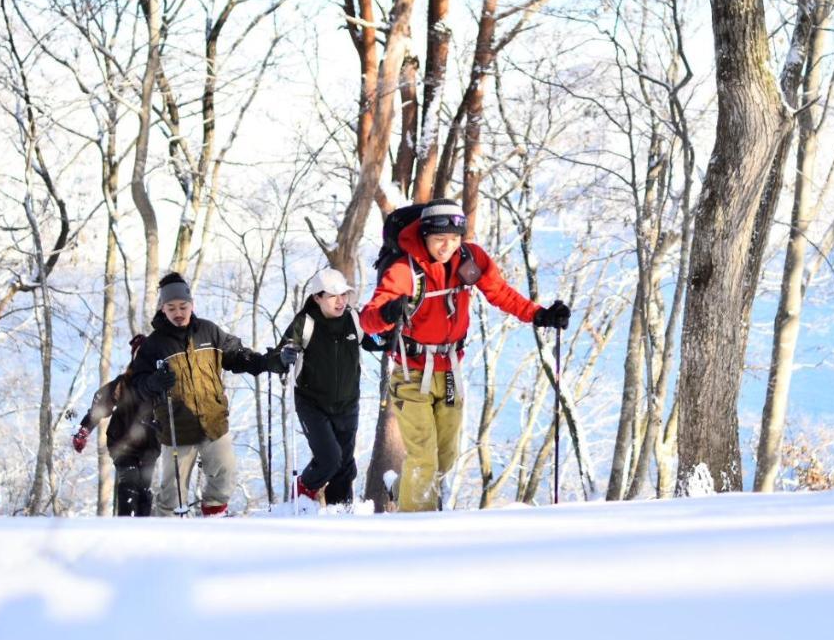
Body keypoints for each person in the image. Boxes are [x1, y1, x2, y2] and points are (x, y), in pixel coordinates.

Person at [359, 200, 570, 512]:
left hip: (450, 374)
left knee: (445, 457)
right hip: (411, 373)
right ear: (425, 235)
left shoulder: (469, 259)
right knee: (423, 458)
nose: (447, 247)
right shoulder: (405, 269)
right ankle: (417, 531)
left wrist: (539, 315)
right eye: (439, 240)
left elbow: (501, 293)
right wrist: (390, 311)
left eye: (454, 240)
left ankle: (400, 488)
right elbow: (369, 318)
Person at [129, 272, 287, 516]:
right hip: (176, 428)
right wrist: (154, 382)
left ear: (192, 305)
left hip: (212, 423)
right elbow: (137, 384)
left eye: (183, 306)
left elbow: (237, 356)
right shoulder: (154, 344)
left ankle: (213, 521)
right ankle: (163, 540)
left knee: (225, 476)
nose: (178, 312)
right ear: (162, 308)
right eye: (171, 307)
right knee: (172, 494)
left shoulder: (209, 332)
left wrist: (268, 362)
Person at [279, 267, 382, 508]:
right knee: (330, 459)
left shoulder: (354, 319)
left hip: (347, 403)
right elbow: (281, 352)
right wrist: (284, 355)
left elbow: (375, 341)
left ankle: (341, 514)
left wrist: (388, 333)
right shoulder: (305, 322)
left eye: (344, 295)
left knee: (345, 466)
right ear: (317, 297)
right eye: (333, 296)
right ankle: (302, 492)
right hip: (312, 403)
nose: (341, 301)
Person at [71, 334, 160, 516]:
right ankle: (124, 525)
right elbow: (99, 407)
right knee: (129, 483)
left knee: (144, 489)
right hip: (122, 443)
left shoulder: (161, 385)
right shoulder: (123, 383)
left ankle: (144, 530)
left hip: (150, 446)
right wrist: (84, 430)